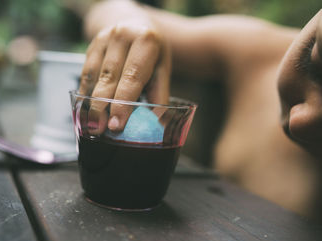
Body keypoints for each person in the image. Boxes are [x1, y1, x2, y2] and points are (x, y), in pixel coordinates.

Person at [79, 0, 322, 219]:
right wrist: (133, 27)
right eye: (316, 69)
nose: (299, 122)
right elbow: (108, 8)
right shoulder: (256, 50)